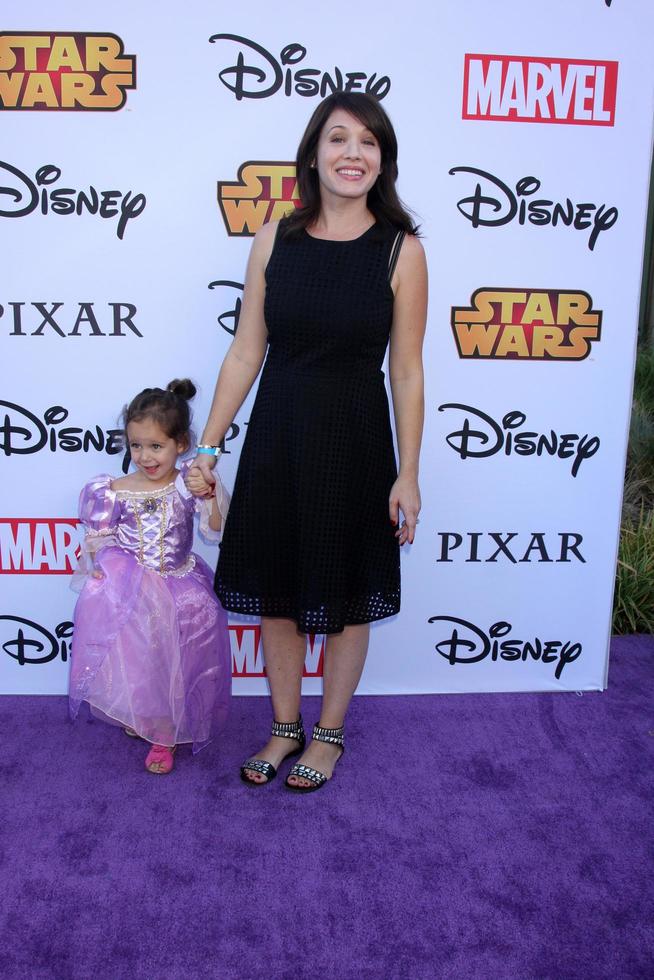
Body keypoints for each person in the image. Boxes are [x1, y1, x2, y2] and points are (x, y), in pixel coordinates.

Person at [190, 91, 427, 792]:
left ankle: (329, 734)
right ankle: (284, 726)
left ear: (382, 161)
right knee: (278, 592)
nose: (353, 154)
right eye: (339, 139)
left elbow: (408, 371)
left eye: (369, 143)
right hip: (279, 438)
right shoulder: (274, 240)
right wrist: (207, 450)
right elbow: (244, 353)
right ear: (314, 153)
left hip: (355, 443)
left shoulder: (401, 251)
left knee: (351, 593)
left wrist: (408, 474)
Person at [69, 379, 231, 775]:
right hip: (133, 595)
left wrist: (209, 493)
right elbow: (99, 540)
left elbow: (216, 529)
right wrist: (100, 566)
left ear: (181, 444)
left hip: (181, 589)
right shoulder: (114, 489)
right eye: (136, 445)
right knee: (139, 661)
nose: (144, 456)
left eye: (155, 446)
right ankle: (144, 714)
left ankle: (164, 732)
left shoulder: (186, 484)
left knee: (175, 661)